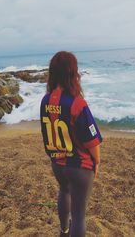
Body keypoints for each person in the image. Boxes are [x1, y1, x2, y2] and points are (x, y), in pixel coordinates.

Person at [40, 51, 102, 237]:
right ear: (73, 73)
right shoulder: (77, 104)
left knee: (64, 191)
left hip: (57, 163)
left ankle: (63, 231)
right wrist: (97, 162)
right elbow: (91, 141)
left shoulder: (45, 100)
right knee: (79, 216)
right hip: (79, 167)